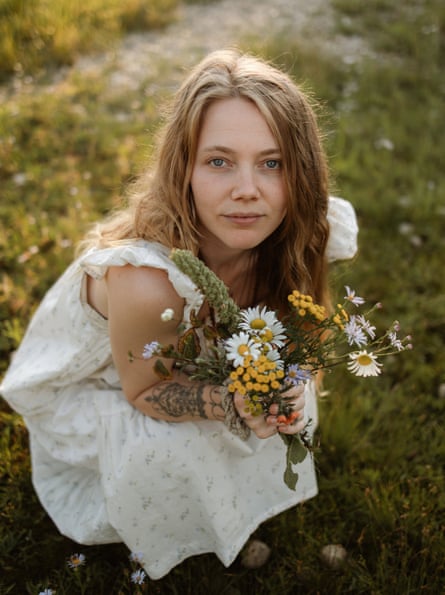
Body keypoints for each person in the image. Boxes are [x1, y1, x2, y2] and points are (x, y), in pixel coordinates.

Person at [0, 49, 358, 579]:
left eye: (272, 162)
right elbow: (145, 391)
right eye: (218, 161)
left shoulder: (296, 228)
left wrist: (288, 383)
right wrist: (228, 402)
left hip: (191, 359)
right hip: (111, 388)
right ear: (183, 169)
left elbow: (296, 334)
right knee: (176, 445)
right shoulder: (150, 283)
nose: (246, 190)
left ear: (300, 171)